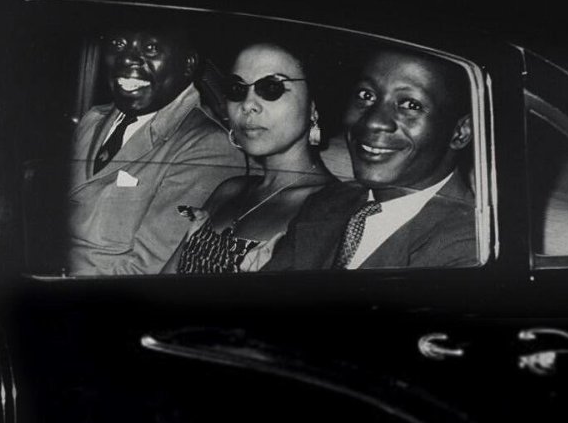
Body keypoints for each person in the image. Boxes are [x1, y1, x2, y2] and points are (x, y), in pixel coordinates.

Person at [265, 47, 477, 271]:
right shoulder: (326, 203)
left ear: (460, 132)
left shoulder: (471, 246)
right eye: (366, 95)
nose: (373, 122)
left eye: (410, 105)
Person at [65, 22, 245, 276]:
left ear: (188, 65)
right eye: (118, 45)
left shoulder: (207, 145)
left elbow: (148, 272)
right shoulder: (93, 120)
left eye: (150, 48)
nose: (127, 59)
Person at [164, 42, 334, 273]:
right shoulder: (229, 190)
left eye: (271, 88)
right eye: (237, 89)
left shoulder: (329, 207)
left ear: (313, 107)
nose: (248, 105)